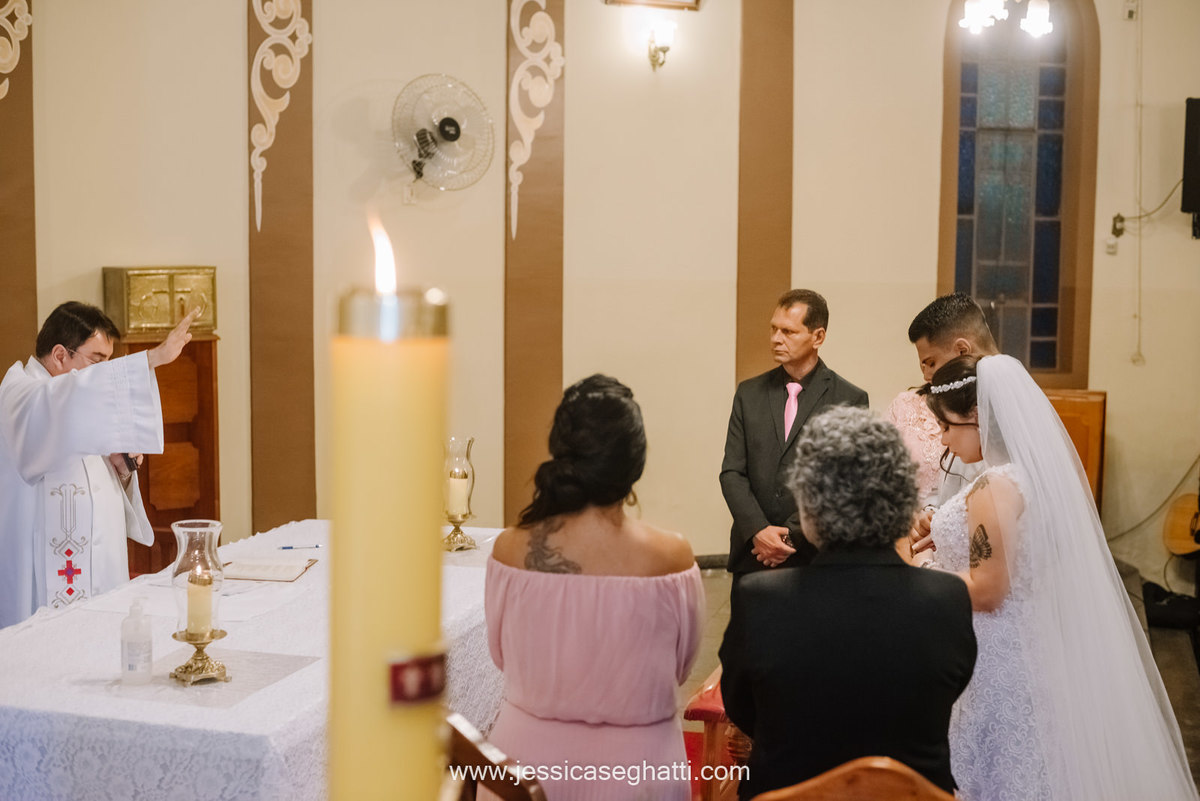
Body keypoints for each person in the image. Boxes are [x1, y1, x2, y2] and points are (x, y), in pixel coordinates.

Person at [916, 354, 1199, 801]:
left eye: (948, 426)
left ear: (976, 415)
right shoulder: (1025, 477)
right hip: (1024, 642)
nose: (945, 439)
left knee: (1002, 770)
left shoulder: (995, 487)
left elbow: (988, 589)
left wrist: (917, 581)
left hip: (995, 655)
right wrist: (944, 539)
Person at [719, 406, 976, 800]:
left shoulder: (761, 601)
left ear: (808, 505)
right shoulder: (947, 599)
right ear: (902, 499)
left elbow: (742, 708)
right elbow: (947, 693)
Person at [483, 375, 704, 801]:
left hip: (527, 769)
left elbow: (499, 654)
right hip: (639, 772)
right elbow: (681, 667)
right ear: (634, 464)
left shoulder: (510, 548)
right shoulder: (672, 557)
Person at [0, 302, 198, 629]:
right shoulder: (21, 393)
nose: (106, 373)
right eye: (98, 361)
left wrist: (120, 469)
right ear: (61, 354)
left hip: (100, 560)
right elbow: (53, 409)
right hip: (46, 571)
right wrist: (150, 358)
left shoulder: (82, 398)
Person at [720, 289, 868, 575]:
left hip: (814, 556)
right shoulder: (748, 394)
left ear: (818, 337)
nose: (776, 338)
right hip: (754, 552)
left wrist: (790, 535)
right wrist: (759, 530)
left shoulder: (848, 398)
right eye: (774, 329)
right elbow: (732, 472)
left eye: (788, 331)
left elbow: (843, 483)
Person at [895, 293, 999, 552]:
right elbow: (951, 484)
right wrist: (931, 513)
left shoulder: (1004, 411)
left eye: (932, 362)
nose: (928, 375)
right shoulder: (964, 402)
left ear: (962, 350)